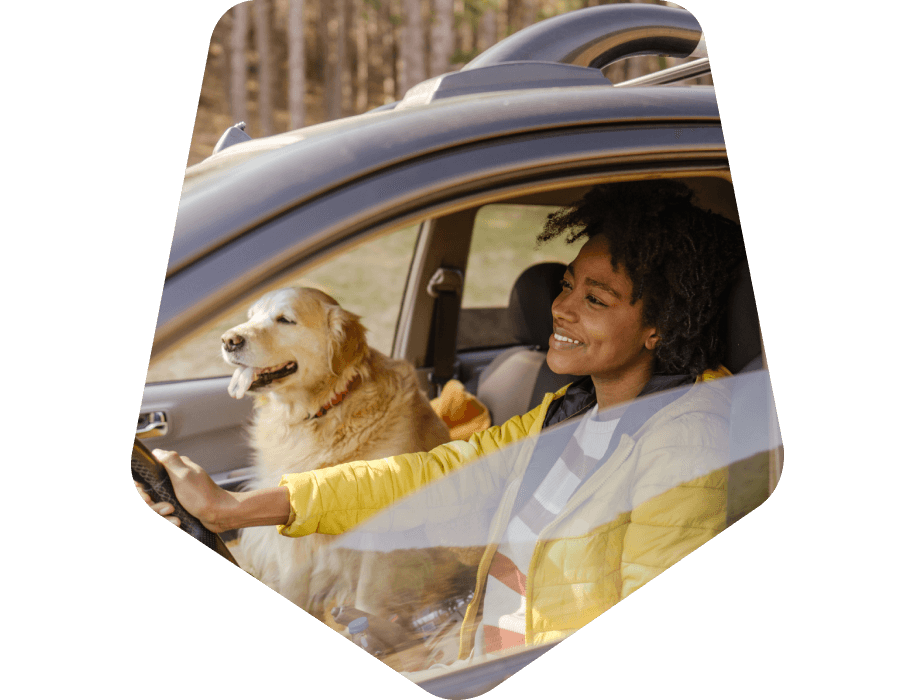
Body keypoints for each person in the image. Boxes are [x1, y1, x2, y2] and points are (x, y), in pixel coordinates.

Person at [138, 178, 745, 662]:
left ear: (659, 326)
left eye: (595, 298)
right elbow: (427, 475)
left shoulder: (686, 443)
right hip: (472, 646)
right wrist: (238, 508)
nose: (559, 306)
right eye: (566, 284)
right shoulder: (567, 412)